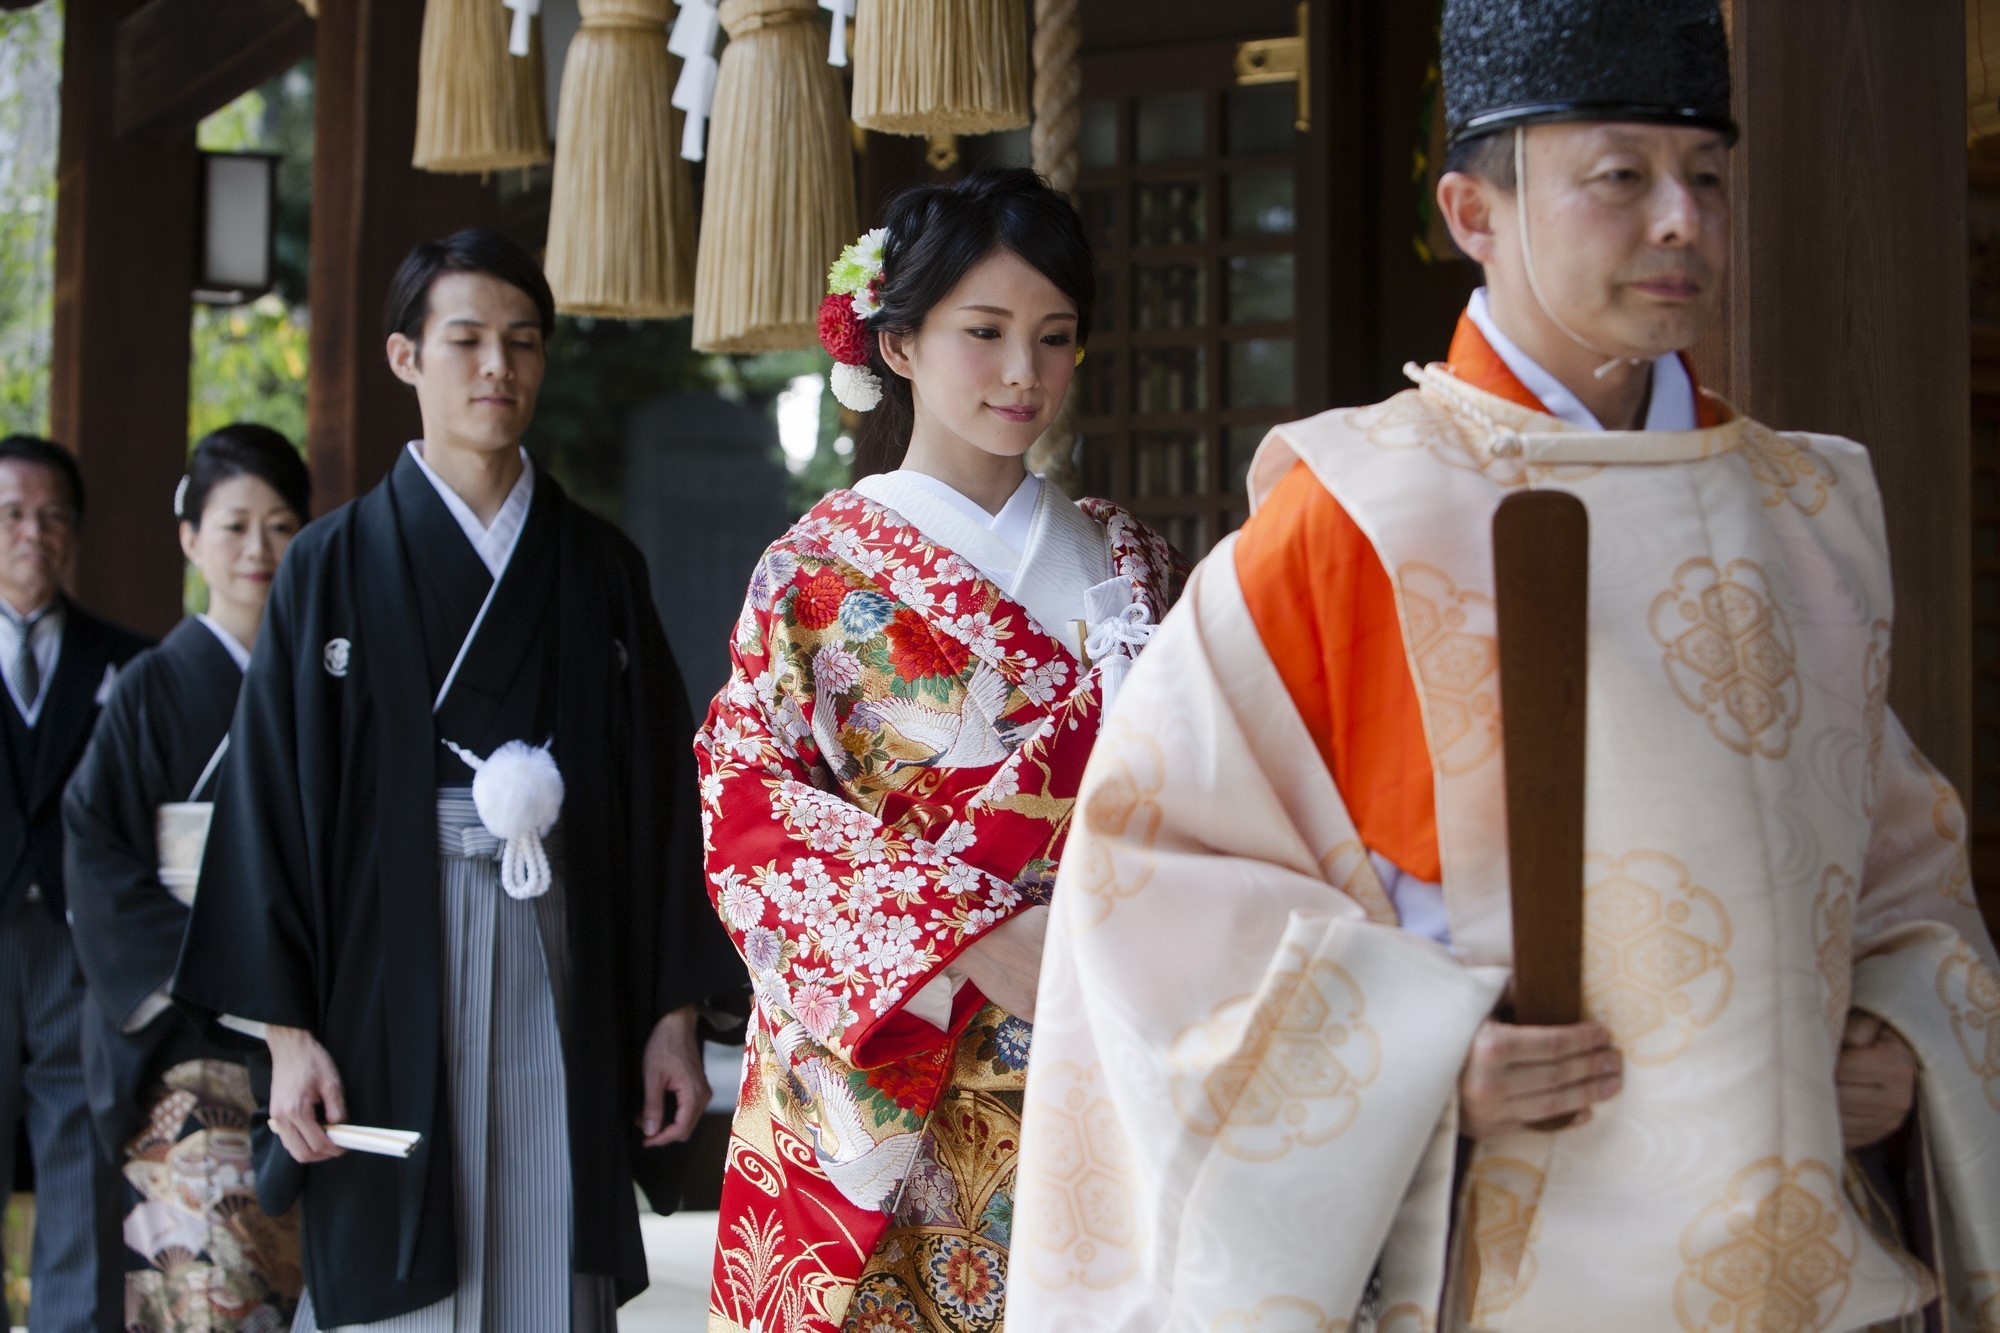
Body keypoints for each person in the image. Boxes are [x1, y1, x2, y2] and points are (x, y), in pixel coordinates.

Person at [1011, 1, 2000, 1329]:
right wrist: (1415, 1072)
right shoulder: (1357, 509)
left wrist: (1901, 1043)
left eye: (1707, 176)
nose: (1683, 223)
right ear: (1475, 211)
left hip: (1800, 1262)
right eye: (1621, 177)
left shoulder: (1805, 511)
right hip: (1509, 1258)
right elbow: (1153, 897)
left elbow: (1893, 871)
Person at [172, 228, 741, 1331]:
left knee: (544, 1235)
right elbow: (268, 810)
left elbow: (664, 807)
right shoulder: (330, 566)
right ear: (405, 357)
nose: (498, 368)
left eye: (523, 343)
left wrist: (672, 1014)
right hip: (380, 960)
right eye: (467, 339)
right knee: (395, 1243)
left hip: (561, 942)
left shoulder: (595, 566)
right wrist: (288, 1038)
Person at [698, 168, 1184, 1333]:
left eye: (1053, 337)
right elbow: (749, 806)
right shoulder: (811, 575)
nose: (1024, 372)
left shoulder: (1128, 562)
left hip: (1092, 1037)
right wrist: (971, 934)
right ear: (899, 342)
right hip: (886, 1063)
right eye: (985, 332)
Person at [63, 424, 312, 1330]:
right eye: (235, 525)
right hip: (188, 1038)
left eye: (282, 525)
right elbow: (95, 851)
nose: (258, 549)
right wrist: (214, 968)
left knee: (288, 1289)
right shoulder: (148, 690)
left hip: (304, 1030)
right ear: (190, 536)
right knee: (206, 1290)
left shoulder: (323, 686)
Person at [0, 434, 151, 1332]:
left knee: (76, 1157)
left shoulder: (124, 662)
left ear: (75, 534)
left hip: (72, 941)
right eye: (12, 514)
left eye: (53, 516)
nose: (32, 532)